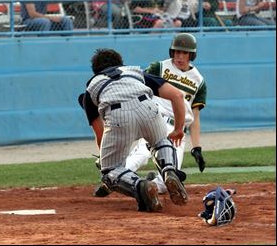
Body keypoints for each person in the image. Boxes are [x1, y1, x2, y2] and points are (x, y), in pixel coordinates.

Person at [93, 33, 207, 197]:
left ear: (192, 55)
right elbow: (135, 86)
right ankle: (111, 179)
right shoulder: (159, 67)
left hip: (178, 128)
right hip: (155, 118)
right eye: (176, 52)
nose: (179, 56)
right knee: (141, 154)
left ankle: (148, 186)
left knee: (167, 181)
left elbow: (195, 116)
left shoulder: (199, 81)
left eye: (184, 53)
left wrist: (196, 147)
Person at [81, 48, 188, 212]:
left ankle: (141, 186)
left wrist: (105, 158)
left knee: (110, 170)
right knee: (160, 142)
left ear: (96, 70)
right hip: (148, 107)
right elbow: (177, 96)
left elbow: (99, 132)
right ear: (120, 64)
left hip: (117, 115)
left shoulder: (92, 88)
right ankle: (169, 171)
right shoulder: (134, 73)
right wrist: (179, 129)